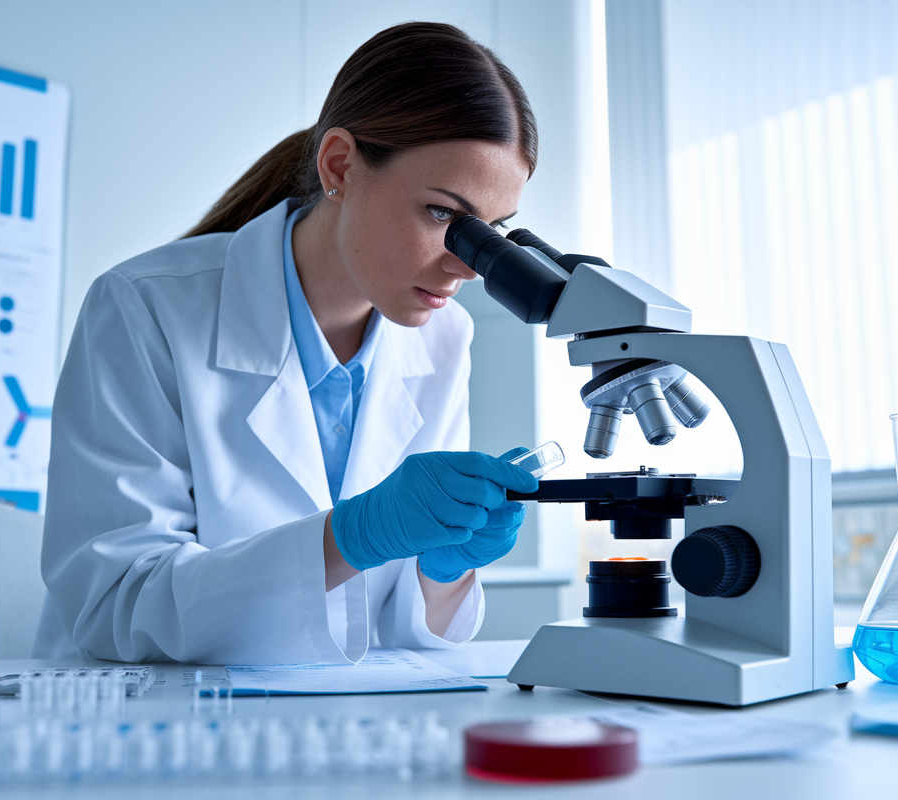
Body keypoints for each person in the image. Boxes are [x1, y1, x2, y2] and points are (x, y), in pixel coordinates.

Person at [34, 22, 541, 664]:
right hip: (149, 726)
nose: (468, 266)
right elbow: (116, 605)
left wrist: (442, 570)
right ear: (339, 165)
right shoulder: (145, 307)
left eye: (492, 232)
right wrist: (349, 538)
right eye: (443, 214)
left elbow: (392, 624)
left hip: (341, 726)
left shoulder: (445, 337)